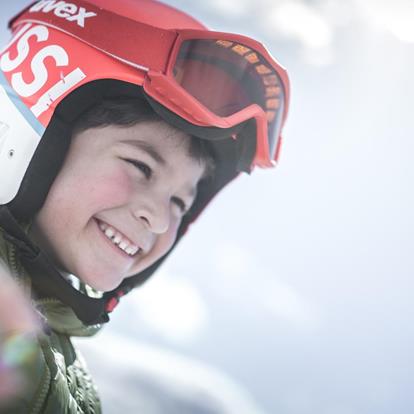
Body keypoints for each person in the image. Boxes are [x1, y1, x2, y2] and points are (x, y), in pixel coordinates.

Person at [0, 0, 290, 412]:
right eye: (140, 166)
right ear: (30, 128)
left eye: (179, 201)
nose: (156, 219)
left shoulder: (47, 342)